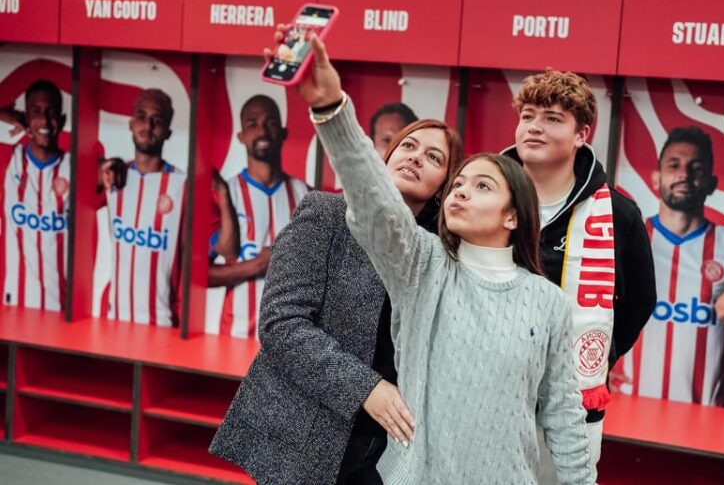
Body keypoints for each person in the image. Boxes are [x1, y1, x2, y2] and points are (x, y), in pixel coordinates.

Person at [290, 35, 595, 484]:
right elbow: (375, 200)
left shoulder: (547, 301)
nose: (462, 191)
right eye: (459, 184)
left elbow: (564, 416)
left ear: (513, 215)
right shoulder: (422, 266)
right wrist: (332, 108)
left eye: (483, 186)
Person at [210, 109, 463, 483]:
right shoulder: (327, 214)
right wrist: (366, 388)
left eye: (433, 157)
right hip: (304, 434)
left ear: (444, 185)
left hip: (388, 446)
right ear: (383, 158)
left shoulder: (441, 257)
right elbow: (282, 324)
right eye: (408, 145)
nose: (415, 157)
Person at [502, 70, 656, 462]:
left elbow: (639, 301)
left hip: (571, 407)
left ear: (580, 135)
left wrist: (596, 353)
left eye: (552, 119)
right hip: (487, 398)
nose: (535, 127)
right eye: (528, 116)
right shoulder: (482, 194)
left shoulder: (618, 214)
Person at [616, 126, 724, 407]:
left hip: (705, 424)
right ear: (656, 180)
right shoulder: (624, 239)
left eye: (696, 168)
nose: (684, 174)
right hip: (628, 412)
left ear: (711, 183)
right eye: (674, 165)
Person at [1, 80, 124, 312]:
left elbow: (112, 168)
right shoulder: (7, 161)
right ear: (25, 119)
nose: (45, 120)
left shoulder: (78, 167)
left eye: (51, 112)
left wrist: (115, 166)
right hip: (10, 311)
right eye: (36, 112)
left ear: (63, 120)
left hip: (62, 315)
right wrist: (4, 114)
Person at [207, 95, 310, 339]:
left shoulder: (305, 195)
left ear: (284, 133)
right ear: (241, 136)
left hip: (288, 344)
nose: (262, 130)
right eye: (252, 123)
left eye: (271, 122)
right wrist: (258, 264)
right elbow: (201, 276)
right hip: (235, 335)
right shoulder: (225, 193)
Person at [101, 89, 187, 327]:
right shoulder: (112, 176)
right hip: (115, 317)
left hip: (162, 321)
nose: (147, 125)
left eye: (157, 120)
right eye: (141, 116)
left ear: (167, 131)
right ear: (130, 123)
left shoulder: (182, 185)